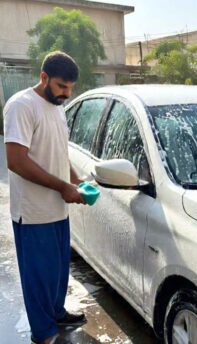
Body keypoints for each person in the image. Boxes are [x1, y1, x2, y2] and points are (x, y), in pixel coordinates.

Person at [3, 51, 87, 344]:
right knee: (38, 279)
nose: (66, 93)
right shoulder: (21, 106)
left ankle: (56, 312)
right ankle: (44, 335)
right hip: (33, 213)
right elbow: (16, 160)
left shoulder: (57, 106)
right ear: (44, 77)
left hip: (57, 210)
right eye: (62, 86)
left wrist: (75, 180)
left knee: (58, 272)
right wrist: (63, 187)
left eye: (70, 88)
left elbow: (57, 151)